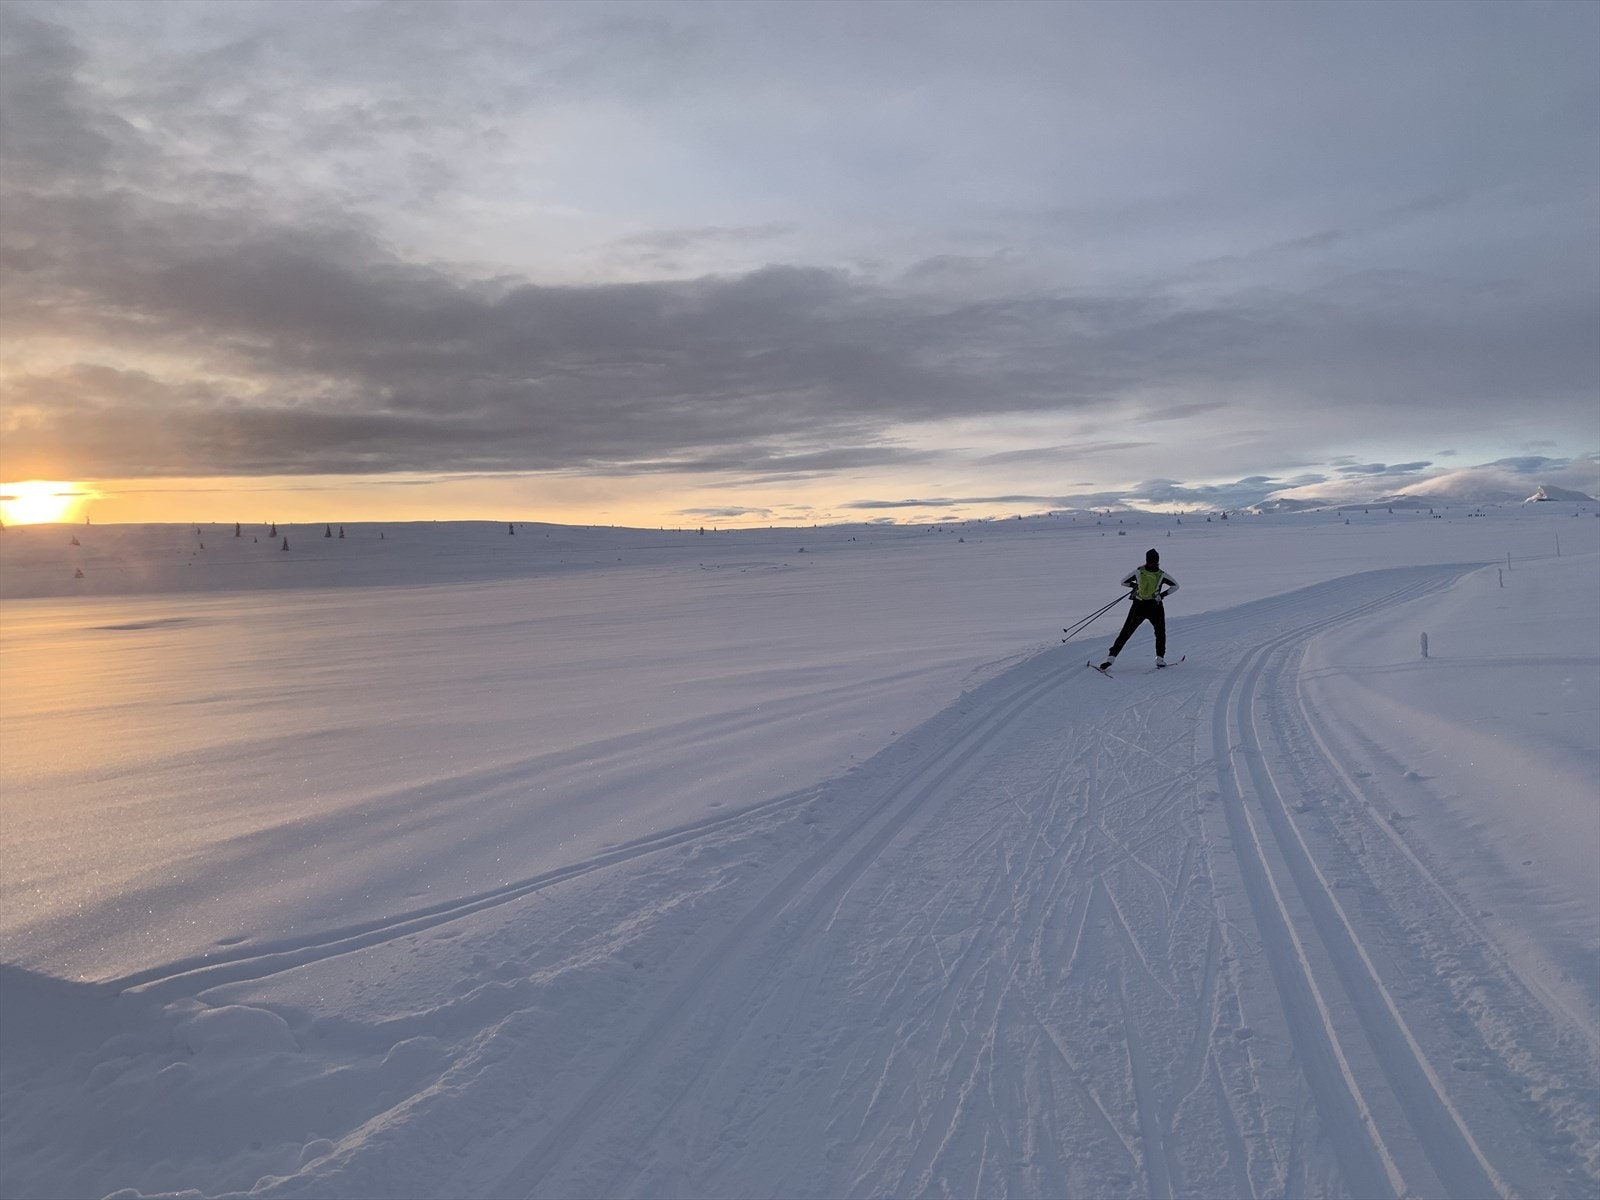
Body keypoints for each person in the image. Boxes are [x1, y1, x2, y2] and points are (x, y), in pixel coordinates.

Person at [1098, 549, 1177, 670]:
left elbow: (1123, 582)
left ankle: (1111, 658)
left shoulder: (1139, 571)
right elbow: (1176, 586)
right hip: (1155, 607)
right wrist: (1162, 595)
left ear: (1146, 560)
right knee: (1160, 632)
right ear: (1158, 561)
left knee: (1126, 632)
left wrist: (1135, 586)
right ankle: (1160, 659)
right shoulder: (1162, 574)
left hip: (1138, 606)